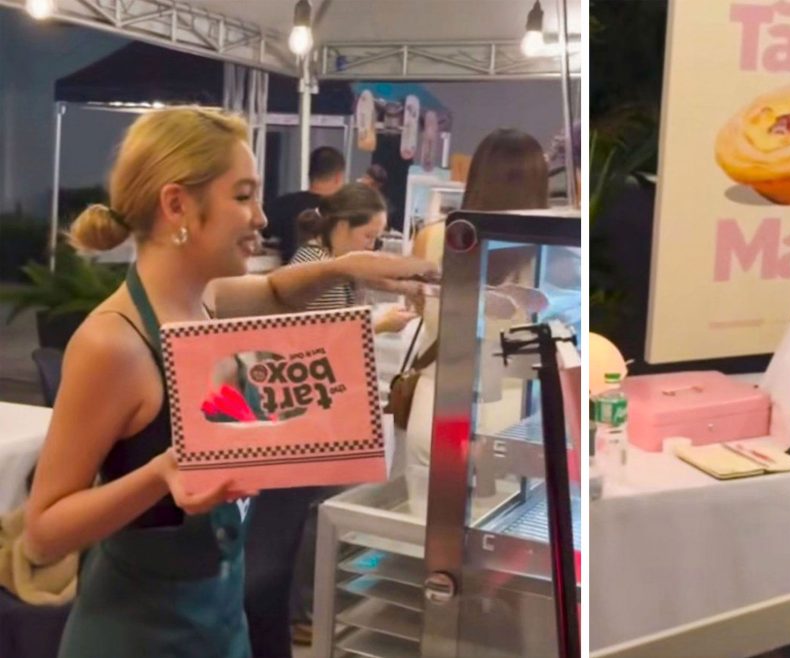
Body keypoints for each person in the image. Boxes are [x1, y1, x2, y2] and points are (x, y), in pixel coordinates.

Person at [23, 107, 434, 658]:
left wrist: (348, 266)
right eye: (243, 196)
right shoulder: (113, 344)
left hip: (218, 622)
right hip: (140, 637)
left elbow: (277, 294)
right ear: (177, 206)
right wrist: (163, 472)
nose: (262, 218)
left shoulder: (207, 300)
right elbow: (44, 533)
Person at [245, 182, 415, 652]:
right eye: (369, 237)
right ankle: (299, 612)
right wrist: (375, 325)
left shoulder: (335, 268)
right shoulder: (314, 271)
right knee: (308, 517)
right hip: (302, 417)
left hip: (318, 413)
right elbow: (313, 345)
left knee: (315, 513)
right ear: (340, 227)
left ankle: (300, 609)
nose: (374, 248)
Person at [404, 128, 551, 514]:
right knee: (504, 536)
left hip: (437, 402)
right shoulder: (550, 252)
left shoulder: (433, 238)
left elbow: (420, 309)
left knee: (424, 527)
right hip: (515, 409)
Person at [263, 146, 346, 265]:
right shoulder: (343, 212)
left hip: (287, 275)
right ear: (338, 177)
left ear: (310, 174)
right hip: (325, 277)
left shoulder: (281, 204)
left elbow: (261, 234)